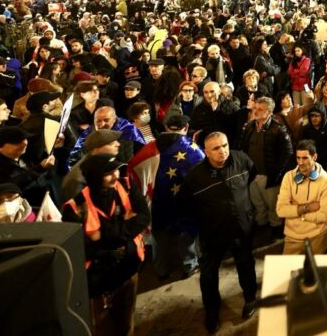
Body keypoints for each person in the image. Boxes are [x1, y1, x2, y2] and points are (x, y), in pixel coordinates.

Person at [178, 132, 258, 333]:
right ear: (206, 151)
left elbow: (251, 175)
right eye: (216, 148)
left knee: (246, 264)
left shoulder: (241, 159)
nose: (222, 151)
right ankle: (212, 309)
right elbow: (185, 204)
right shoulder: (195, 177)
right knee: (209, 274)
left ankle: (250, 298)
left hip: (242, 227)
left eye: (225, 145)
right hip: (213, 233)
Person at [62, 154, 149, 336]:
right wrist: (125, 227)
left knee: (127, 317)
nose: (115, 175)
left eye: (116, 170)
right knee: (101, 325)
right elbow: (80, 247)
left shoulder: (126, 186)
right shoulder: (75, 207)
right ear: (94, 177)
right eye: (108, 173)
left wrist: (105, 236)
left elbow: (143, 217)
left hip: (129, 267)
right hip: (99, 278)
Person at [127, 113, 204, 281]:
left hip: (158, 202)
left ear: (166, 127)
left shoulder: (150, 148)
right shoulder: (192, 149)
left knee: (159, 236)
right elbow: (204, 171)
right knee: (185, 235)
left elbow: (133, 168)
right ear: (186, 128)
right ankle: (189, 265)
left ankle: (161, 269)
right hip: (185, 204)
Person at [239, 95, 293, 240]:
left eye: (260, 109)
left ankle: (276, 229)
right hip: (252, 175)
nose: (255, 111)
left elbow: (287, 153)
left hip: (269, 176)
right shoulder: (250, 126)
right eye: (255, 108)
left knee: (273, 206)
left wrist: (276, 174)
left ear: (269, 112)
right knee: (258, 204)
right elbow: (242, 148)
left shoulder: (278, 129)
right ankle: (262, 226)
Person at [276, 139, 327, 254]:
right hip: (292, 237)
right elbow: (281, 210)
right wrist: (307, 208)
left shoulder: (326, 180)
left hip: (317, 236)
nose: (300, 162)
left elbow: (324, 215)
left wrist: (297, 213)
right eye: (298, 158)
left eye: (305, 158)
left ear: (314, 157)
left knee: (317, 266)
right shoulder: (288, 177)